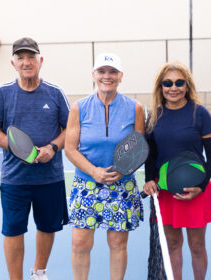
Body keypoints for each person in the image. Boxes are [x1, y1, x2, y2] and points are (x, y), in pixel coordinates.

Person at [0, 37, 70, 280]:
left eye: (31, 57)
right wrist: (18, 149)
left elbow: (70, 129)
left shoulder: (55, 93)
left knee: (46, 227)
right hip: (14, 179)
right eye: (20, 57)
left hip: (49, 178)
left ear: (40, 61)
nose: (26, 62)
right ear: (13, 63)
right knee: (13, 231)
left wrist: (53, 148)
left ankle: (39, 273)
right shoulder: (3, 93)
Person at [64, 53, 145, 280]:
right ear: (93, 75)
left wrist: (126, 168)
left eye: (112, 72)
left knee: (118, 243)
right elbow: (70, 149)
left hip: (121, 185)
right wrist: (94, 172)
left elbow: (139, 148)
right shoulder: (78, 108)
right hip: (86, 184)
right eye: (101, 71)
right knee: (80, 244)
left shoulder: (135, 108)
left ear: (120, 76)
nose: (106, 76)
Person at [142, 61, 211, 280]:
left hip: (195, 189)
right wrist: (149, 179)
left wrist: (200, 187)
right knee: (172, 244)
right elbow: (151, 154)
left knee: (197, 246)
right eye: (167, 83)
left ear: (187, 86)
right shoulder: (155, 116)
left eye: (179, 82)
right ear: (161, 87)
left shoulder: (200, 113)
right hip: (165, 191)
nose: (173, 88)